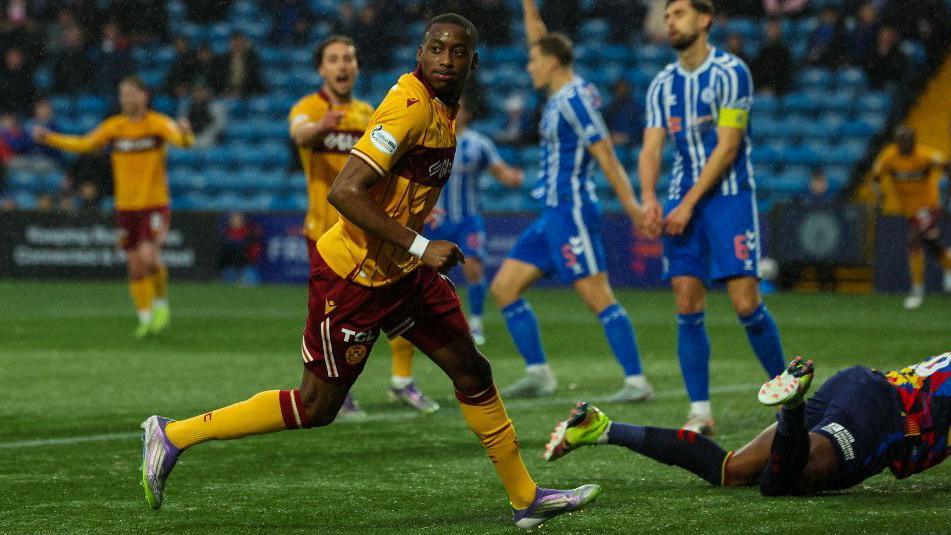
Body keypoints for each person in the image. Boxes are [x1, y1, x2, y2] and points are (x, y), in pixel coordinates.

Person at [140, 15, 601, 529]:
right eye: (437, 49)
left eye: (458, 51)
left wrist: (414, 245)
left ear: (475, 61)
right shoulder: (407, 108)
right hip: (353, 276)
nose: (446, 60)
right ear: (420, 54)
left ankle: (526, 499)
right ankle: (174, 434)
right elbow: (344, 192)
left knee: (472, 370)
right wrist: (422, 244)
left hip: (400, 273)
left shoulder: (445, 109)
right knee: (317, 406)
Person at [490, 0, 654, 402]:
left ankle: (637, 381)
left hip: (574, 211)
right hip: (552, 213)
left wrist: (632, 207)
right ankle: (539, 373)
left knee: (598, 296)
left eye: (533, 61)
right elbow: (537, 34)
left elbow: (607, 156)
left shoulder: (574, 101)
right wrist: (529, 7)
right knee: (505, 288)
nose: (528, 66)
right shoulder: (561, 91)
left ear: (552, 62)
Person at [637, 0, 787, 436]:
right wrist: (649, 198)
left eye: (679, 13)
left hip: (729, 198)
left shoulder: (731, 71)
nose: (670, 22)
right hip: (680, 199)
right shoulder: (661, 84)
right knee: (686, 301)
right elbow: (651, 147)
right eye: (667, 16)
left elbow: (727, 145)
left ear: (705, 20)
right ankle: (700, 411)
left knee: (745, 303)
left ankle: (788, 392)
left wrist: (686, 205)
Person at [544, 352, 951, 495]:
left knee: (732, 471)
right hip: (883, 414)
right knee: (785, 482)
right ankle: (790, 407)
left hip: (859, 387)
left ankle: (602, 428)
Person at [288, 34, 439, 417]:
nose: (342, 65)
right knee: (340, 320)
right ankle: (335, 389)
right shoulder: (308, 108)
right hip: (326, 235)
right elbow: (298, 134)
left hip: (371, 231)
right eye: (334, 59)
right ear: (321, 68)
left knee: (402, 303)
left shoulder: (369, 112)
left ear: (356, 67)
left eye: (348, 59)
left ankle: (402, 381)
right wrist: (320, 128)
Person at [34, 75, 194, 337]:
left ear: (144, 96)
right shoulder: (115, 127)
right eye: (122, 94)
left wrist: (187, 134)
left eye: (131, 93)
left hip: (154, 204)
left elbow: (183, 142)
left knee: (149, 258)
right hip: (125, 206)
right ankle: (145, 317)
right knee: (134, 264)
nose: (126, 98)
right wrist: (51, 138)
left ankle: (161, 303)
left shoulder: (158, 124)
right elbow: (85, 143)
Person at [423, 95, 523, 345]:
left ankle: (475, 323)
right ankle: (432, 322)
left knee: (474, 267)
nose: (455, 112)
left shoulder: (479, 144)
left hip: (468, 218)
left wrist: (513, 178)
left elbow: (501, 172)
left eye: (459, 108)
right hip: (438, 219)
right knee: (427, 274)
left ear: (466, 113)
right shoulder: (429, 140)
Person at [872, 127, 951, 309]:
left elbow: (946, 164)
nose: (904, 144)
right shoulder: (889, 157)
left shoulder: (924, 155)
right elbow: (876, 177)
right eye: (901, 141)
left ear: (914, 141)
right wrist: (880, 193)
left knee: (913, 238)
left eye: (907, 141)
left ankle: (917, 290)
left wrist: (948, 191)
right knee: (932, 246)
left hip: (929, 205)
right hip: (909, 210)